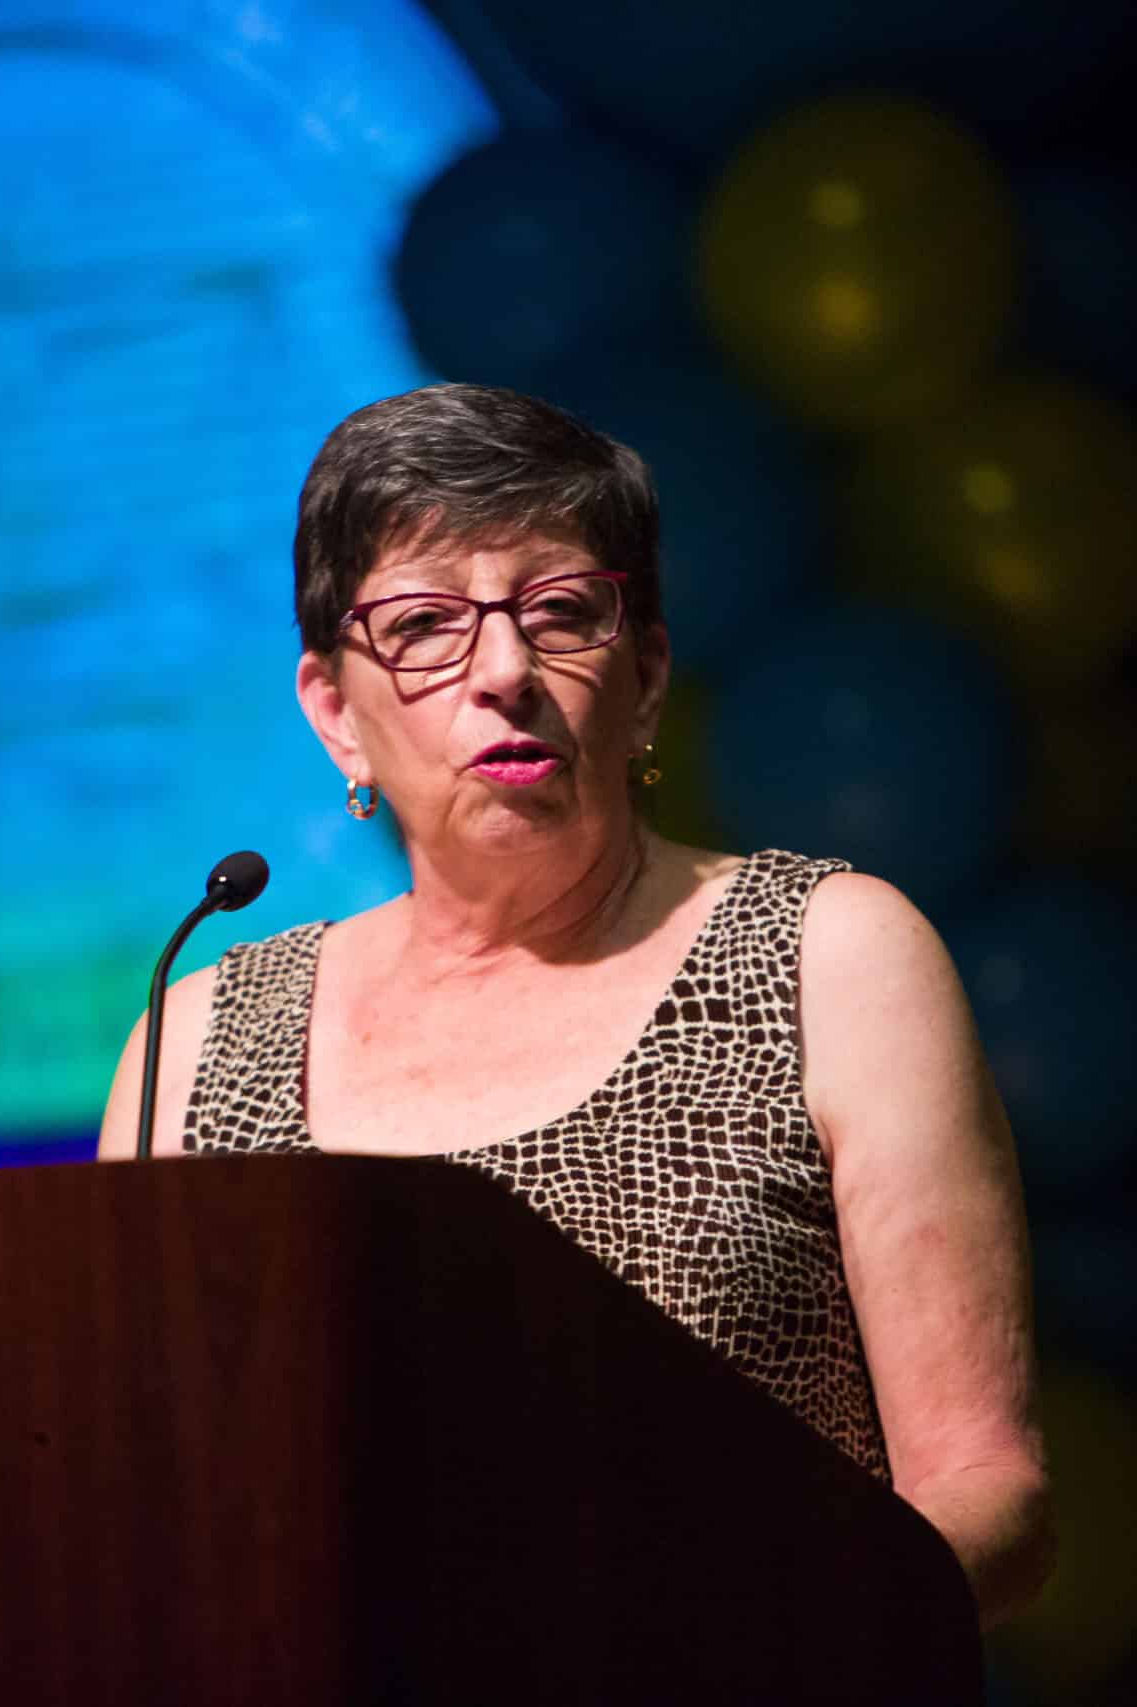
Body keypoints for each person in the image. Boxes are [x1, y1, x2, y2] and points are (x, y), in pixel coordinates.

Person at [99, 383, 1051, 1625]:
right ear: (335, 713)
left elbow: (984, 1486)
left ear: (645, 677)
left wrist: (750, 1640)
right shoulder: (200, 1039)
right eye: (425, 624)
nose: (505, 671)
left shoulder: (825, 956)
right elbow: (128, 1511)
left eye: (559, 613)